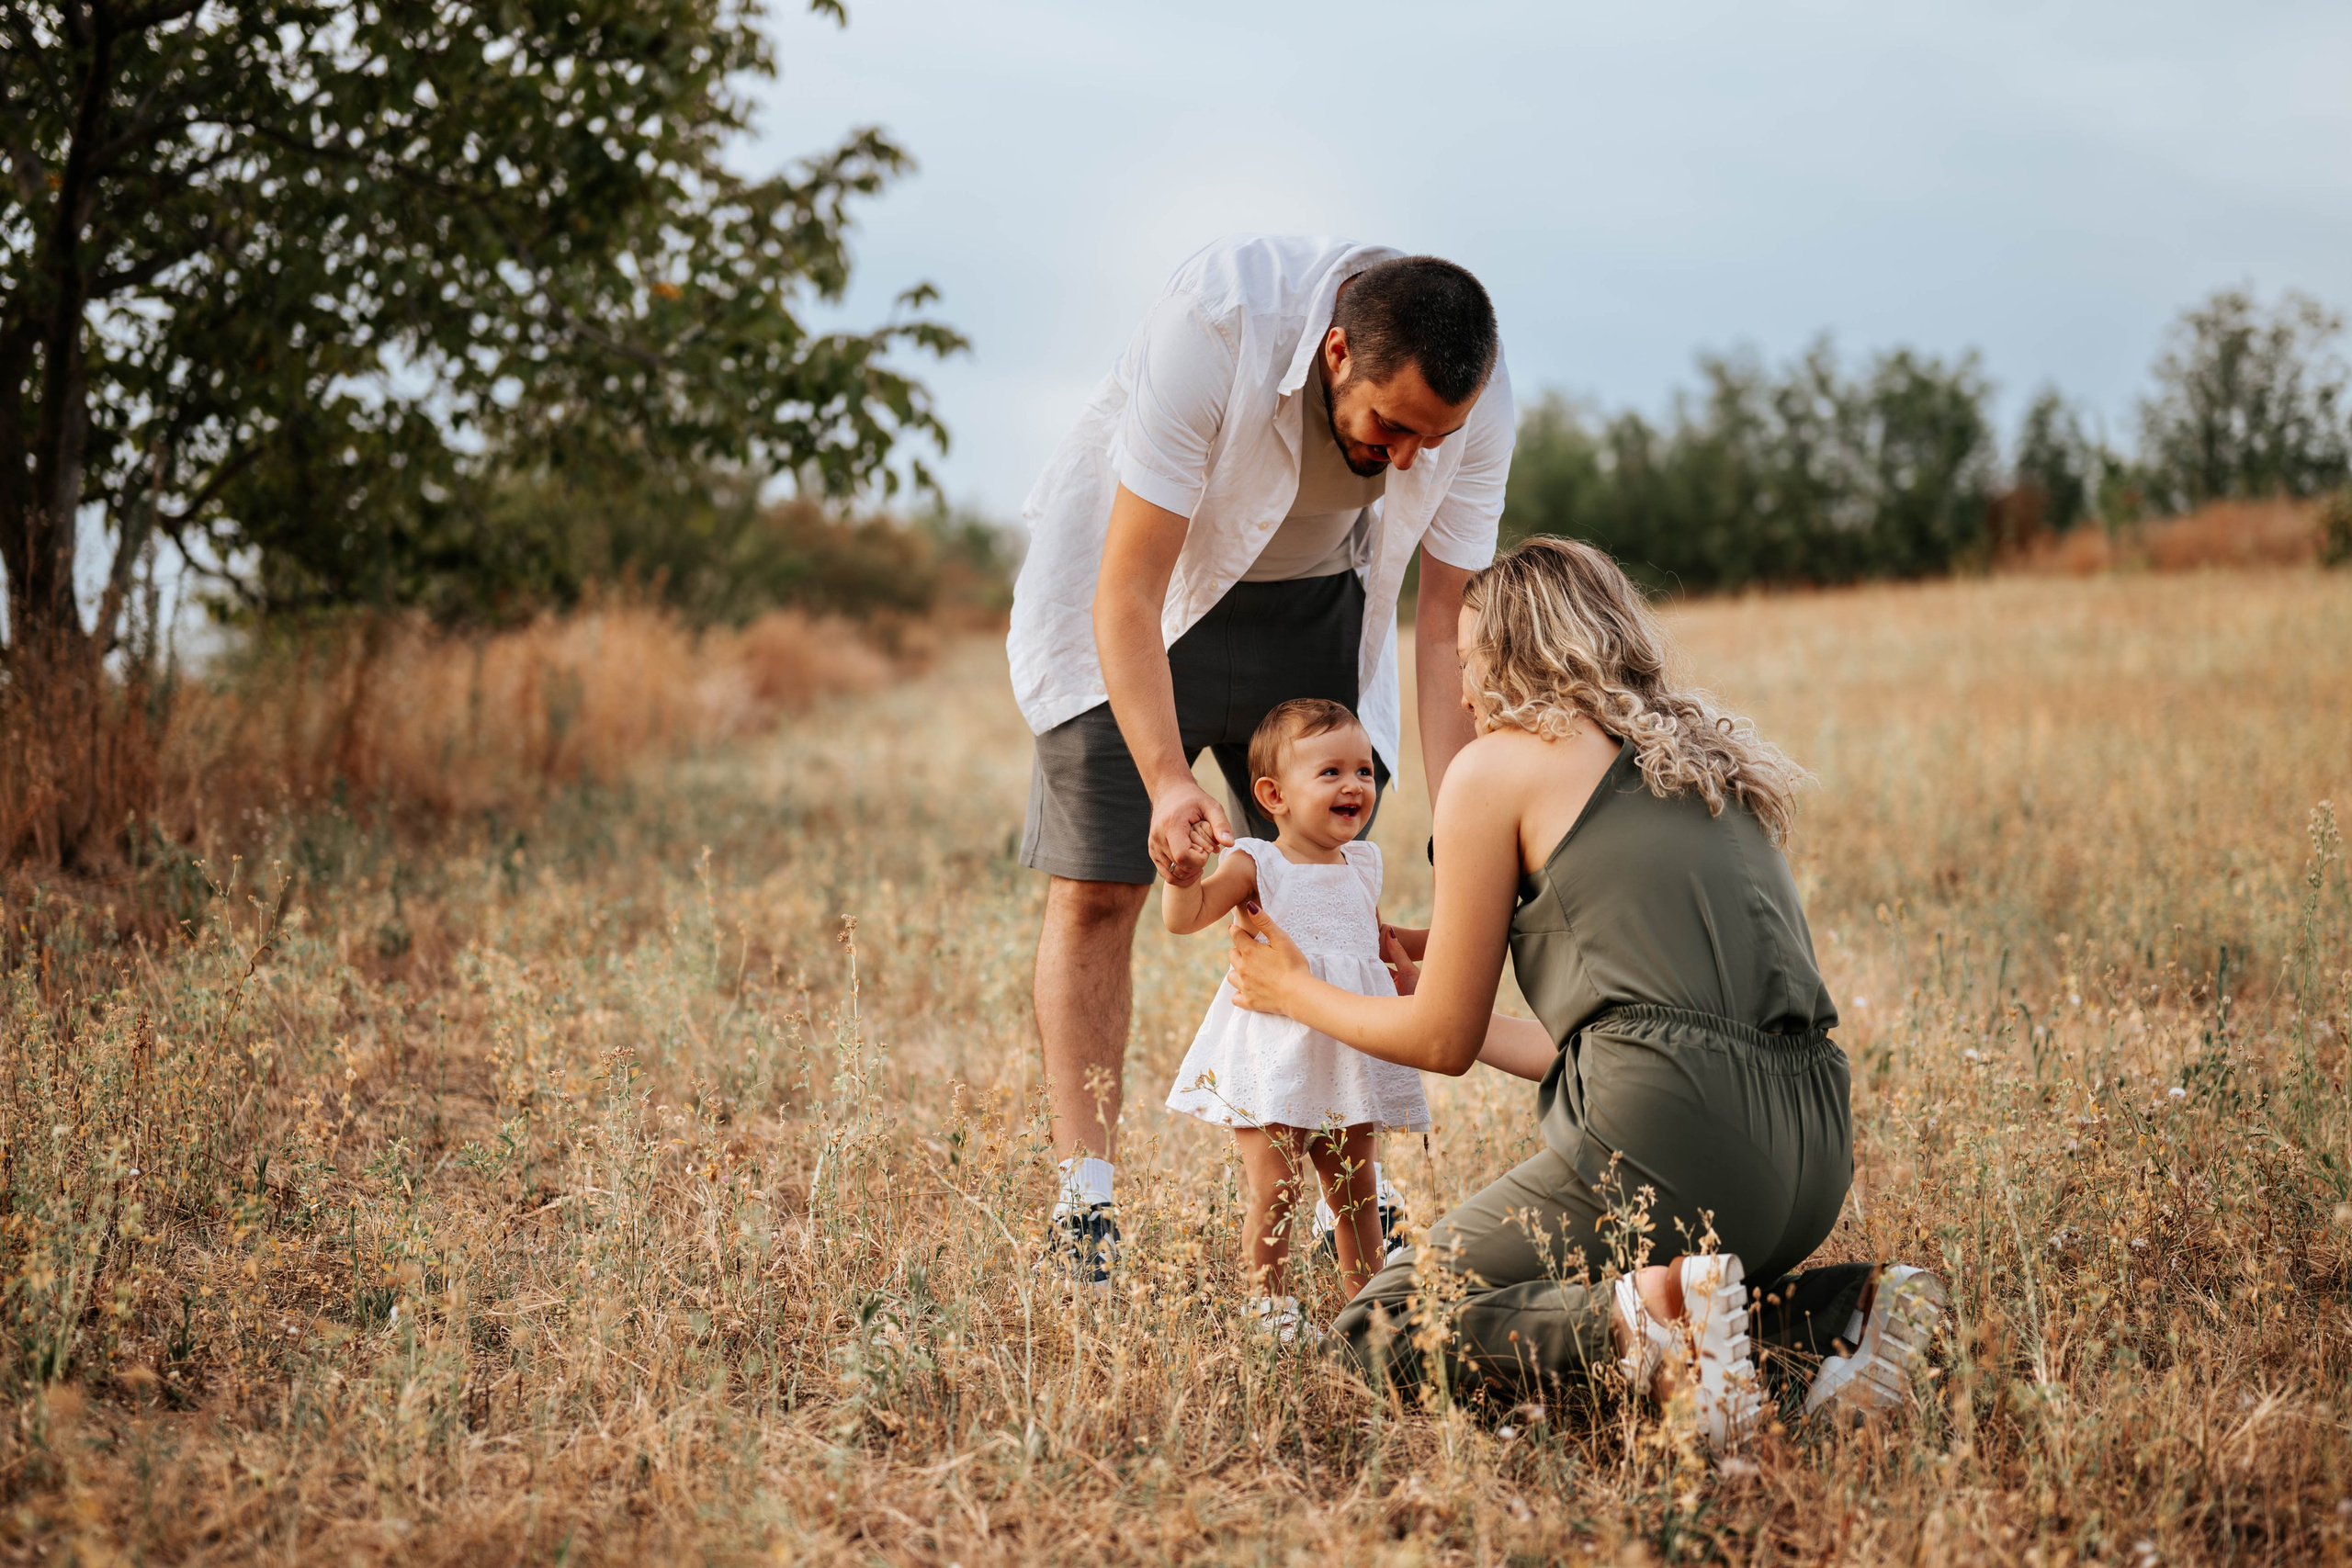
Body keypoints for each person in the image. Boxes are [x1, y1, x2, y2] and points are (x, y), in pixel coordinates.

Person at [1225, 536, 1947, 1448]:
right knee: (1636, 1279)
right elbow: (1619, 1033)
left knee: (1386, 1324)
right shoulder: (1699, 761)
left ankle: (1641, 1321)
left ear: (1515, 655)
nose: (1461, 689)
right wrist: (1440, 973)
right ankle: (1835, 1313)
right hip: (1809, 1144)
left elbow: (1440, 1043)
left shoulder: (1498, 768)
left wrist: (1291, 989)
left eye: (1470, 660)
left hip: (1676, 1138)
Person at [1007, 235, 1513, 1281]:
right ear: (1335, 353)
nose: (1414, 456)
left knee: (1326, 902)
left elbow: (1439, 627)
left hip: (1315, 604)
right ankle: (1083, 1207)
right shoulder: (1217, 324)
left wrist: (1467, 823)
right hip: (1144, 605)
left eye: (1439, 436)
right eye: (1393, 427)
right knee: (1099, 893)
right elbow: (1129, 590)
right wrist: (1166, 780)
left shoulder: (1476, 392)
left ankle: (1346, 1193)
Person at [1159, 699, 1430, 1342]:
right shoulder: (1260, 863)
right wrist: (1182, 875)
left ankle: (1367, 1309)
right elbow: (1187, 917)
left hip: (1351, 1050)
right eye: (1331, 772)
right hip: (1277, 1053)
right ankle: (1270, 1309)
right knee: (1275, 1188)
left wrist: (1470, 933)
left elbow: (1384, 937)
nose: (1354, 785)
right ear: (1273, 794)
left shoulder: (1362, 863)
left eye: (1364, 770)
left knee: (1357, 1191)